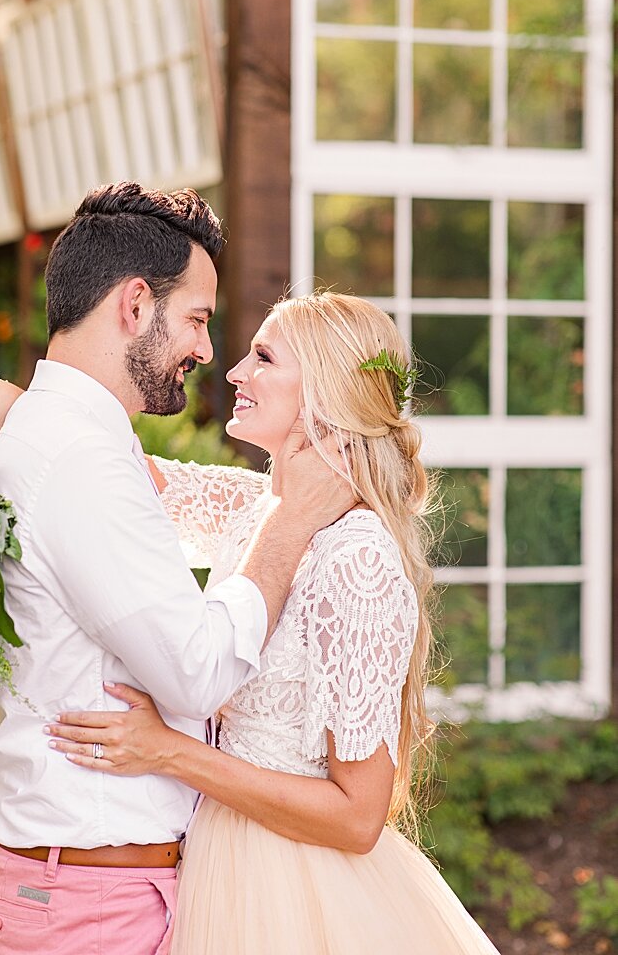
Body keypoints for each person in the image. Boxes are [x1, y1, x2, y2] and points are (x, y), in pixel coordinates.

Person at [0, 183, 357, 955]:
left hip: (86, 890)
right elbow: (195, 674)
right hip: (92, 908)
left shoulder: (67, 434)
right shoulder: (79, 456)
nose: (204, 350)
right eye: (195, 318)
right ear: (133, 305)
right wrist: (292, 521)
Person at [45, 293, 499, 953]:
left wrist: (170, 752)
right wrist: (12, 404)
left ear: (325, 392)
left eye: (262, 357)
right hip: (217, 861)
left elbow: (359, 817)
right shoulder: (255, 509)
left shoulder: (358, 559)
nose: (233, 373)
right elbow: (110, 470)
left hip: (299, 888)